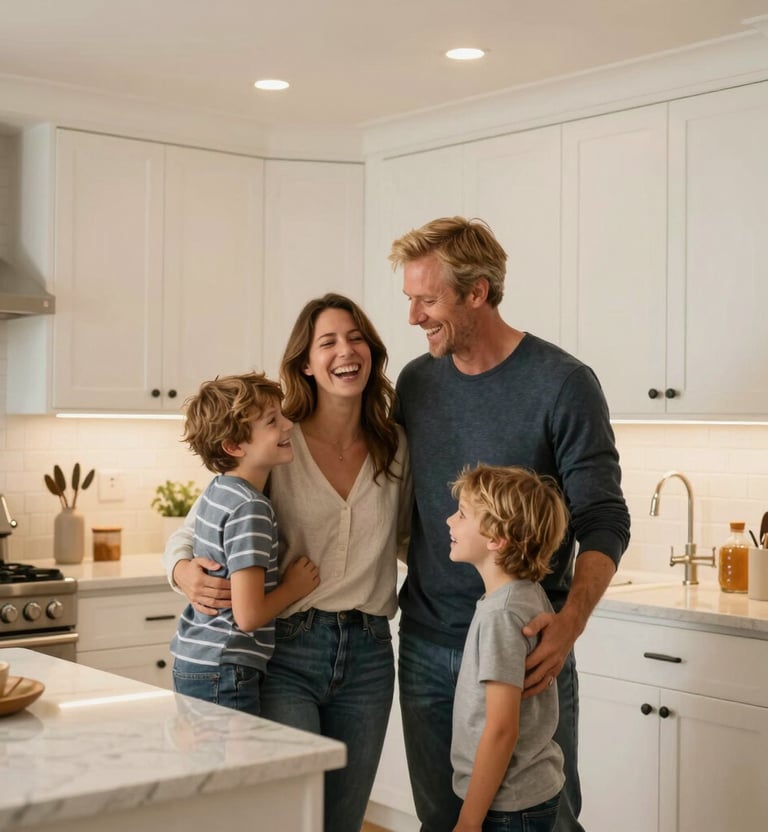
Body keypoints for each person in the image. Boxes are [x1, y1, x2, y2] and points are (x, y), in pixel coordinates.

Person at [388, 216, 631, 832]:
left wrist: (570, 623)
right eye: (410, 299)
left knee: (543, 818)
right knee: (444, 821)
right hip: (427, 642)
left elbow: (604, 516)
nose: (413, 317)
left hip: (528, 651)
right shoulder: (416, 383)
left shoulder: (563, 384)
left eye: (428, 300)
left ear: (478, 292)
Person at [163, 294, 412, 832]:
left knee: (341, 821)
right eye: (328, 342)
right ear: (306, 361)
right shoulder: (276, 439)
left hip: (370, 654)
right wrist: (183, 573)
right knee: (289, 818)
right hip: (286, 652)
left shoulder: (394, 446)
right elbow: (196, 527)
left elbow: (408, 540)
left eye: (356, 338)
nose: (346, 351)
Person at [170, 372, 320, 715]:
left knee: (209, 766)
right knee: (236, 768)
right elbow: (248, 615)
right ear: (234, 446)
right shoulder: (250, 508)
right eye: (272, 421)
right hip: (225, 667)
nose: (289, 425)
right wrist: (293, 587)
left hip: (195, 658)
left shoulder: (219, 489)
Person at [447, 464, 568, 832]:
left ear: (496, 538)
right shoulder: (527, 595)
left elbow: (502, 730)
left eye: (462, 514)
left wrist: (468, 821)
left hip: (509, 807)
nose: (450, 521)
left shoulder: (501, 614)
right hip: (527, 795)